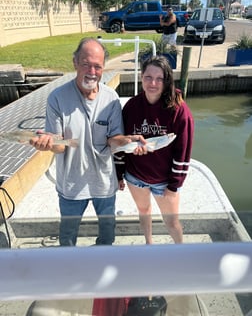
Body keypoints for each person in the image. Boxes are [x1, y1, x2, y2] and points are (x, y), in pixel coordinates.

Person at [29, 37, 143, 246]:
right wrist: (46, 143)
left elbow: (113, 141)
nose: (92, 71)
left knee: (108, 235)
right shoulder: (56, 98)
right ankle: (71, 268)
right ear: (75, 62)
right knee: (67, 237)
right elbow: (59, 145)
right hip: (71, 185)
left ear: (103, 68)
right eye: (86, 64)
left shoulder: (111, 98)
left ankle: (100, 263)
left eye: (97, 66)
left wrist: (128, 141)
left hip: (105, 183)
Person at [115, 56, 194, 244]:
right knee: (143, 211)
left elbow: (183, 151)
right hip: (135, 176)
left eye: (159, 78)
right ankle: (149, 244)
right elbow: (121, 142)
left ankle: (180, 250)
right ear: (141, 77)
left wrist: (174, 185)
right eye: (148, 77)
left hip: (164, 181)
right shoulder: (131, 107)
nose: (153, 83)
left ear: (167, 81)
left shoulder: (179, 110)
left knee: (172, 221)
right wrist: (119, 173)